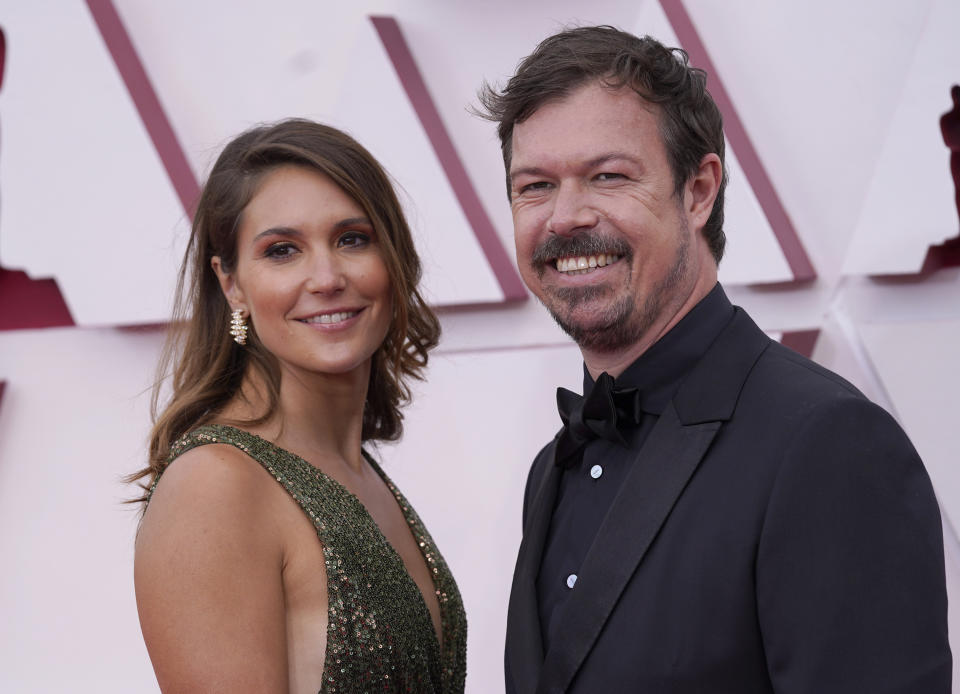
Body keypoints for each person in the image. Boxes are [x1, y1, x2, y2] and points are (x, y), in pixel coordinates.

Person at [479, 26, 951, 693]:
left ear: (698, 191)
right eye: (534, 186)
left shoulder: (828, 444)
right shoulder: (549, 471)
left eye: (608, 176)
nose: (564, 217)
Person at [130, 120, 466, 693]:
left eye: (352, 239)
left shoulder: (358, 472)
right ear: (231, 285)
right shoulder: (216, 485)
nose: (327, 277)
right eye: (282, 251)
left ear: (394, 254)